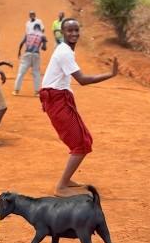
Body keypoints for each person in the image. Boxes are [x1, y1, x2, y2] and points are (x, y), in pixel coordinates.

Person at [39, 18, 118, 197]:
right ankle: (61, 187)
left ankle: (66, 181)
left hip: (60, 98)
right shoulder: (64, 52)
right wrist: (111, 74)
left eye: (76, 30)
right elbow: (82, 80)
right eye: (70, 31)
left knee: (84, 139)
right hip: (57, 99)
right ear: (62, 33)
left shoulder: (65, 50)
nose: (74, 34)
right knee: (81, 144)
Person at [13, 23, 48, 97]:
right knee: (36, 73)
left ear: (34, 28)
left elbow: (21, 43)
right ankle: (37, 92)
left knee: (21, 73)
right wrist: (44, 42)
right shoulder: (42, 35)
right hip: (36, 55)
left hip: (27, 54)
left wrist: (19, 52)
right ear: (40, 29)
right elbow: (44, 48)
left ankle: (16, 90)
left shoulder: (28, 33)